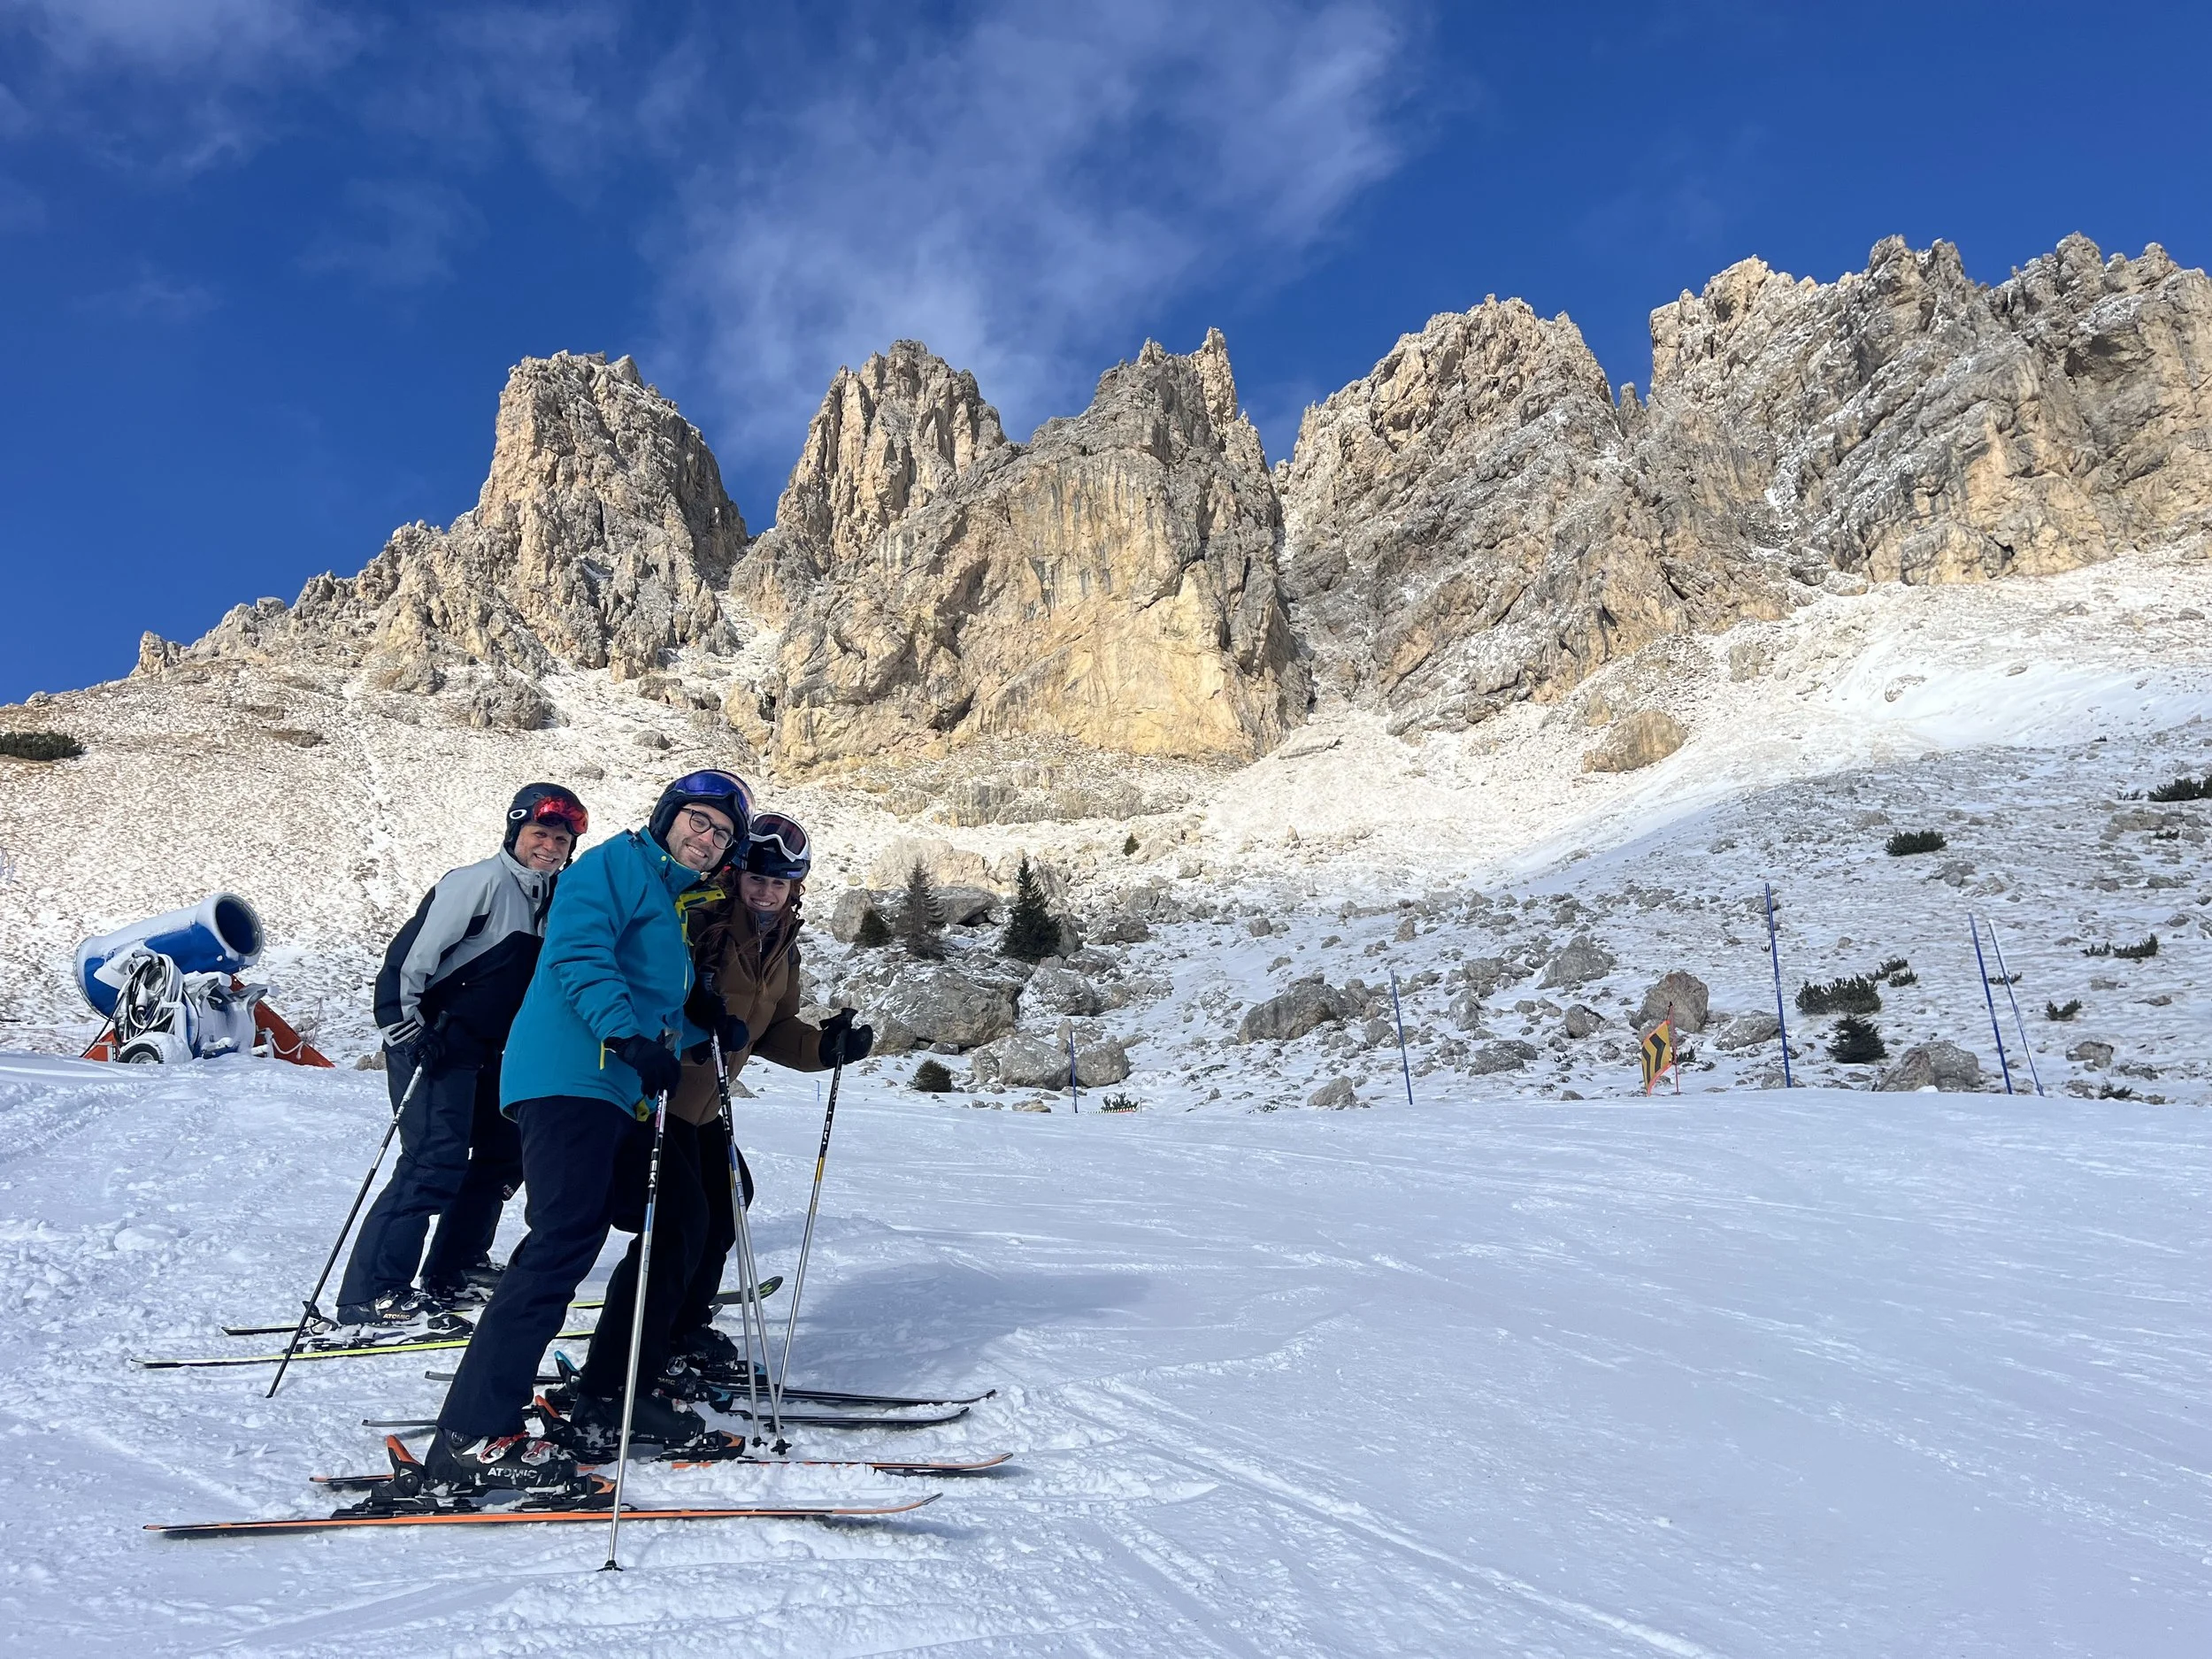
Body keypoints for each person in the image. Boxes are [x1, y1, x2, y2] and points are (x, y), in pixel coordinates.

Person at [426, 770, 751, 1493]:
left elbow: (648, 991)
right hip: (568, 1075)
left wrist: (703, 1022)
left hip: (616, 1088)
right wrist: (630, 1039)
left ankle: (610, 1394)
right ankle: (473, 1433)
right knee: (564, 1239)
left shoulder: (670, 902)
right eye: (699, 821)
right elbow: (579, 956)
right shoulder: (614, 865)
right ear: (669, 817)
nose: (707, 838)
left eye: (722, 834)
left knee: (680, 1217)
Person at [334, 783, 588, 1328]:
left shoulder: (557, 898)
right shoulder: (479, 883)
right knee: (433, 1162)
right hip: (436, 1044)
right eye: (540, 833)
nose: (549, 846)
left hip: (496, 1054)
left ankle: (453, 1268)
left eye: (561, 839)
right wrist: (404, 1026)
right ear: (514, 832)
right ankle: (371, 1292)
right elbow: (410, 957)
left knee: (503, 1157)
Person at [662, 811, 873, 1394]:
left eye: (779, 882)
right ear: (736, 872)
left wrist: (827, 1047)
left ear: (794, 888)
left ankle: (684, 1325)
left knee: (729, 1202)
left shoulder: (782, 944)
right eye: (757, 876)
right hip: (660, 1097)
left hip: (707, 1108)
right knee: (684, 1220)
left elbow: (774, 1028)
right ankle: (654, 1337)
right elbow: (656, 993)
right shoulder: (701, 921)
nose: (766, 890)